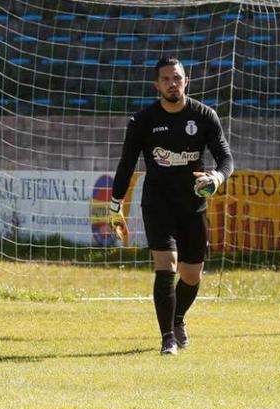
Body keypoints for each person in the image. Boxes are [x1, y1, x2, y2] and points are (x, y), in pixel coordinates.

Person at [109, 56, 234, 355]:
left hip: (193, 207)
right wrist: (115, 206)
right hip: (158, 204)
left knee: (192, 275)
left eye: (177, 78)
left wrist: (216, 178)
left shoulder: (205, 116)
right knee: (167, 265)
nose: (172, 83)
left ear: (186, 81)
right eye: (166, 79)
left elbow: (226, 159)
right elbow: (126, 165)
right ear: (157, 84)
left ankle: (177, 318)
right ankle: (167, 338)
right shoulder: (142, 121)